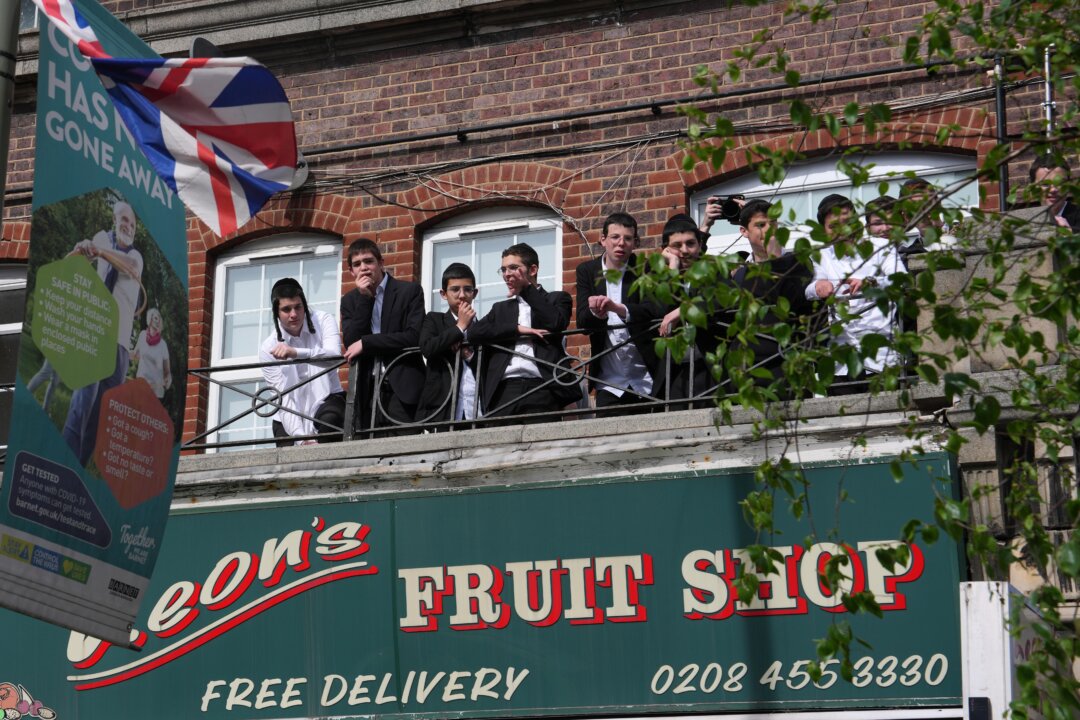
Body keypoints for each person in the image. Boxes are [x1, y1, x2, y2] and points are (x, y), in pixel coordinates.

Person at [62, 200, 143, 466]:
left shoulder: (136, 256)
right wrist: (84, 248)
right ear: (114, 220)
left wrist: (99, 252)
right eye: (124, 220)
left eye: (132, 223)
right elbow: (83, 256)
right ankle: (64, 460)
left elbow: (128, 266)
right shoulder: (102, 238)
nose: (128, 226)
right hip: (97, 334)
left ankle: (79, 467)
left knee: (100, 416)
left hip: (120, 346)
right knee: (83, 402)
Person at [467, 243, 581, 421]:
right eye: (503, 269)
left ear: (533, 270)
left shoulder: (557, 298)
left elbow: (555, 322)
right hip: (504, 390)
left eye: (513, 268)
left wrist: (527, 288)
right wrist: (516, 329)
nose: (507, 274)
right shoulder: (500, 308)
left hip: (542, 386)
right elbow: (474, 333)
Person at [805, 195, 904, 389]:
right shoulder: (820, 255)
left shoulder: (880, 246)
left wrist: (871, 282)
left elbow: (901, 280)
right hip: (841, 359)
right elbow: (809, 289)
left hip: (882, 355)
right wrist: (818, 287)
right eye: (833, 226)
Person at [721, 198, 816, 387]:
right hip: (746, 367)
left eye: (773, 223)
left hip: (787, 364)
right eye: (760, 225)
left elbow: (788, 298)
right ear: (744, 231)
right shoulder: (738, 271)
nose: (769, 229)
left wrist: (774, 255)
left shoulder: (798, 261)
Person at [575, 212, 660, 413]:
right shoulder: (587, 270)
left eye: (627, 238)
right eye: (615, 237)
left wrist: (617, 308)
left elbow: (652, 310)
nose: (621, 243)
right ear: (603, 240)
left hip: (647, 377)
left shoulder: (645, 269)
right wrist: (596, 313)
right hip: (608, 382)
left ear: (635, 243)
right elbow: (582, 322)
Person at [341, 238, 426, 432]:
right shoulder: (350, 301)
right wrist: (365, 298)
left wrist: (367, 343)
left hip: (403, 387)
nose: (363, 267)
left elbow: (414, 336)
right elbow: (351, 342)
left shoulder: (408, 291)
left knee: (406, 446)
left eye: (368, 261)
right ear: (351, 272)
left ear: (381, 263)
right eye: (357, 264)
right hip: (367, 391)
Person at [260, 278, 346, 446]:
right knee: (287, 452)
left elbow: (334, 358)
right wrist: (301, 438)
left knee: (331, 422)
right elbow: (283, 397)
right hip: (288, 414)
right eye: (286, 309)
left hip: (328, 401)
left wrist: (296, 353)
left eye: (298, 307)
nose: (294, 314)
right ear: (276, 312)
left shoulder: (323, 320)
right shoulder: (268, 348)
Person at [655, 213, 712, 405]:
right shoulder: (656, 278)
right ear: (665, 250)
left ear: (700, 245)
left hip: (709, 369)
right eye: (677, 245)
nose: (685, 250)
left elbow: (719, 301)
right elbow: (659, 308)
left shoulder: (713, 270)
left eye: (690, 243)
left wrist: (683, 310)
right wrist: (673, 267)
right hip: (674, 373)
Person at [415, 263, 481, 425]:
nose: (462, 295)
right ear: (443, 294)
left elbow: (491, 365)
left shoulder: (483, 326)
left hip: (479, 409)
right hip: (443, 411)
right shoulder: (434, 319)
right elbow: (427, 348)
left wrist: (468, 354)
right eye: (455, 289)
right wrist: (460, 327)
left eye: (468, 289)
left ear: (475, 293)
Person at [1029, 153, 1080, 231]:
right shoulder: (1026, 220)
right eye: (1045, 184)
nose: (1053, 190)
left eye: (1060, 183)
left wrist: (1071, 235)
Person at [132, 307, 173, 400]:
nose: (158, 321)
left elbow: (167, 371)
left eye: (159, 319)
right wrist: (121, 351)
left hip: (155, 391)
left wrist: (168, 379)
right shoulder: (142, 335)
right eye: (156, 318)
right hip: (140, 386)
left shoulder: (163, 345)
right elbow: (135, 355)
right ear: (149, 319)